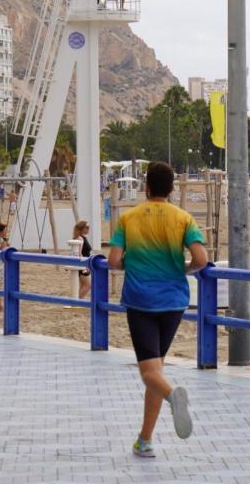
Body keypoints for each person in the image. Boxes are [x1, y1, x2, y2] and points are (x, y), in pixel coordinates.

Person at [108, 162, 208, 458]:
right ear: (171, 189)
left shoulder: (129, 218)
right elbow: (202, 259)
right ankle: (145, 439)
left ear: (146, 187)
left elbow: (113, 261)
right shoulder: (183, 218)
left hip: (141, 300)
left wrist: (134, 262)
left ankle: (172, 396)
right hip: (174, 301)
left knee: (149, 371)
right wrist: (185, 269)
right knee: (156, 368)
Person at [73, 220, 93, 299]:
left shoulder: (81, 238)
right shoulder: (80, 239)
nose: (88, 229)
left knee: (83, 285)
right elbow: (79, 253)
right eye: (87, 227)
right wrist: (85, 266)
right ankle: (78, 301)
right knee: (87, 286)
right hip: (83, 264)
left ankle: (78, 301)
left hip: (83, 264)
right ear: (82, 228)